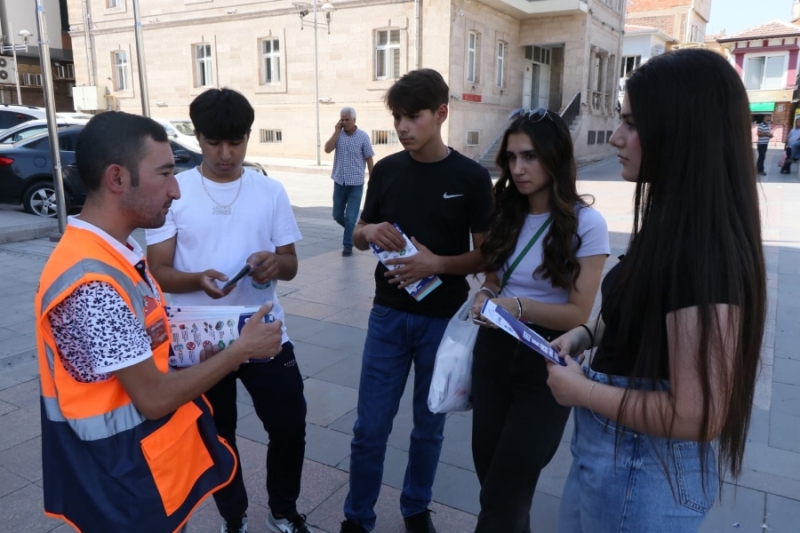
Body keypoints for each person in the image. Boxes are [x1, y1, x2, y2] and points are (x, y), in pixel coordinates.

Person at [547, 49, 766, 532]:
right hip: (615, 461)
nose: (618, 138)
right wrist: (586, 335)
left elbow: (698, 415)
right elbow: (637, 304)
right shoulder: (672, 219)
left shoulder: (702, 249)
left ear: (682, 130)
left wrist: (582, 391)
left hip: (642, 473)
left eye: (632, 123)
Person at [35, 111, 284, 533]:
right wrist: (240, 349)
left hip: (140, 468)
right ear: (117, 179)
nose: (175, 190)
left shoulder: (115, 253)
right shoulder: (92, 283)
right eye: (165, 173)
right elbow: (151, 398)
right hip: (121, 483)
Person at [146, 88, 311, 533]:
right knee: (218, 434)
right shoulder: (176, 193)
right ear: (197, 137)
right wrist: (197, 279)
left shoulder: (269, 191)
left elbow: (291, 264)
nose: (225, 154)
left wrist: (276, 263)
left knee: (290, 425)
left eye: (235, 142)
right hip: (200, 340)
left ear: (247, 136)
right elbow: (158, 270)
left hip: (262, 330)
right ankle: (232, 516)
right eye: (214, 142)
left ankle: (283, 509)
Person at [339, 69, 493, 533]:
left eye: (414, 116)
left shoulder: (470, 177)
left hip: (442, 322)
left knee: (429, 428)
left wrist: (438, 265)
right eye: (397, 117)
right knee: (370, 429)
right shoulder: (386, 169)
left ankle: (415, 508)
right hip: (387, 316)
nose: (404, 127)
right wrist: (367, 231)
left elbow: (487, 256)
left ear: (441, 114)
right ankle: (356, 516)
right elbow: (361, 233)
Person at [469, 108, 609, 532]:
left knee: (504, 493)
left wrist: (518, 308)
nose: (518, 168)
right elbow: (495, 273)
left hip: (546, 360)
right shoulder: (506, 210)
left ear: (555, 157)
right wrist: (487, 293)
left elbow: (579, 313)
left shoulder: (587, 223)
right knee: (493, 482)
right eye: (511, 158)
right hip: (492, 353)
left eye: (529, 156)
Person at [324, 106, 375, 256]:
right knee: (337, 215)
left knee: (351, 216)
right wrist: (335, 132)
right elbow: (327, 149)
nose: (344, 122)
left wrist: (373, 180)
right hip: (339, 181)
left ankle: (348, 245)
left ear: (354, 120)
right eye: (342, 119)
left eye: (347, 119)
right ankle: (354, 231)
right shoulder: (338, 135)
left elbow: (369, 158)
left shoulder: (363, 136)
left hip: (356, 184)